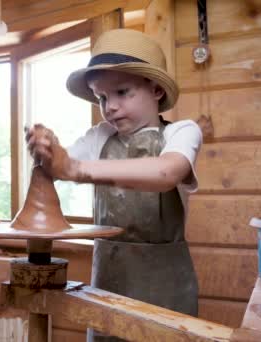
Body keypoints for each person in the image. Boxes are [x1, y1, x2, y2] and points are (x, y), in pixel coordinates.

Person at [25, 28, 202, 341]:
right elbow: (58, 168)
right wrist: (47, 151)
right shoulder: (99, 137)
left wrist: (75, 167)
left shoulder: (182, 132)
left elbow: (166, 173)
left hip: (166, 286)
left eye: (122, 92)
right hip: (109, 279)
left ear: (157, 90)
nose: (110, 107)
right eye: (102, 97)